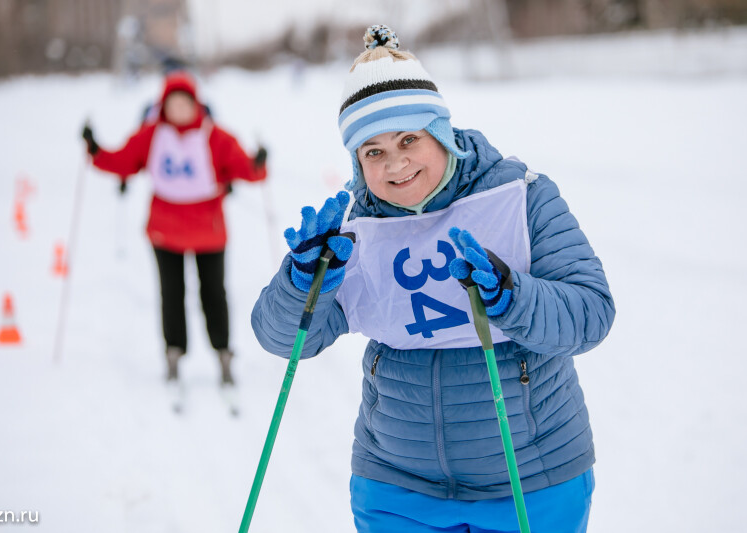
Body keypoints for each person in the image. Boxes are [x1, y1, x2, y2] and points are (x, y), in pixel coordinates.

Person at [251, 25, 614, 533]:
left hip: (531, 479)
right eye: (372, 152)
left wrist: (512, 295)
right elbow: (282, 339)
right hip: (397, 486)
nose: (396, 163)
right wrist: (302, 282)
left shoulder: (520, 197)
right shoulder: (356, 231)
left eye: (408, 139)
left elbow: (591, 314)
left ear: (439, 131)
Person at [83, 70, 268, 386]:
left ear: (196, 104)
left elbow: (246, 169)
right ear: (163, 106)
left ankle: (223, 352)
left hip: (208, 232)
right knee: (171, 293)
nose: (179, 110)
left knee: (213, 294)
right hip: (165, 232)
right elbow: (122, 161)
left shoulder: (215, 136)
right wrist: (95, 150)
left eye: (185, 103)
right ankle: (173, 352)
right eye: (173, 104)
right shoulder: (151, 135)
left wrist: (258, 162)